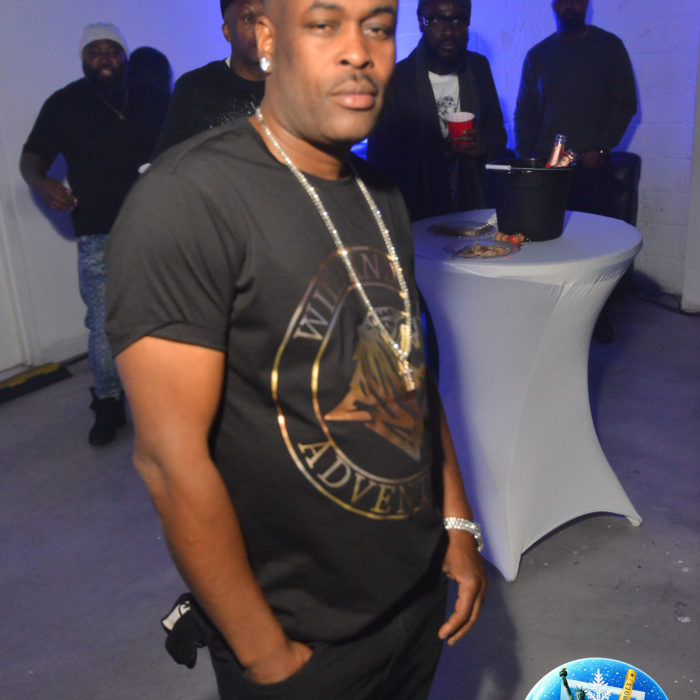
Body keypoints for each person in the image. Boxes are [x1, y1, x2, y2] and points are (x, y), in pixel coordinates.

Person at [106, 1, 487, 698]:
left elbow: (408, 370)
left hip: (418, 598)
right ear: (266, 37)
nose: (359, 51)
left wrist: (457, 524)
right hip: (303, 641)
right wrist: (266, 656)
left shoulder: (382, 195)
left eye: (377, 27)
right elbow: (168, 461)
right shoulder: (185, 200)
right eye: (324, 24)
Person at [20, 23, 167, 446]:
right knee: (103, 323)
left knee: (167, 312)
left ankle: (167, 397)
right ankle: (108, 403)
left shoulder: (153, 97)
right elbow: (32, 157)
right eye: (95, 51)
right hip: (98, 232)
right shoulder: (64, 103)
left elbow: (183, 146)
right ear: (84, 59)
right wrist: (42, 183)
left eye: (112, 50)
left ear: (124, 55)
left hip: (158, 226)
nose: (105, 58)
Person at [514, 0, 637, 342]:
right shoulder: (537, 56)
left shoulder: (609, 47)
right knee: (545, 247)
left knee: (594, 248)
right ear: (554, 4)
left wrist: (602, 149)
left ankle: (599, 318)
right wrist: (527, 160)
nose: (570, 5)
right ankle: (549, 317)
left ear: (586, 3)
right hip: (547, 173)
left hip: (590, 168)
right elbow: (524, 112)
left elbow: (626, 103)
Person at [367, 0, 507, 222]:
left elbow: (498, 135)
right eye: (435, 20)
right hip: (415, 210)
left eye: (457, 20)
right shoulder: (397, 79)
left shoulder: (478, 67)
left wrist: (483, 146)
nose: (448, 31)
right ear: (420, 22)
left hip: (471, 204)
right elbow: (379, 160)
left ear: (468, 22)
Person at [152, 0, 266, 156]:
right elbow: (166, 163)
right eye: (248, 18)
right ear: (227, 31)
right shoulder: (194, 89)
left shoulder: (294, 87)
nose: (262, 28)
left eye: (269, 17)